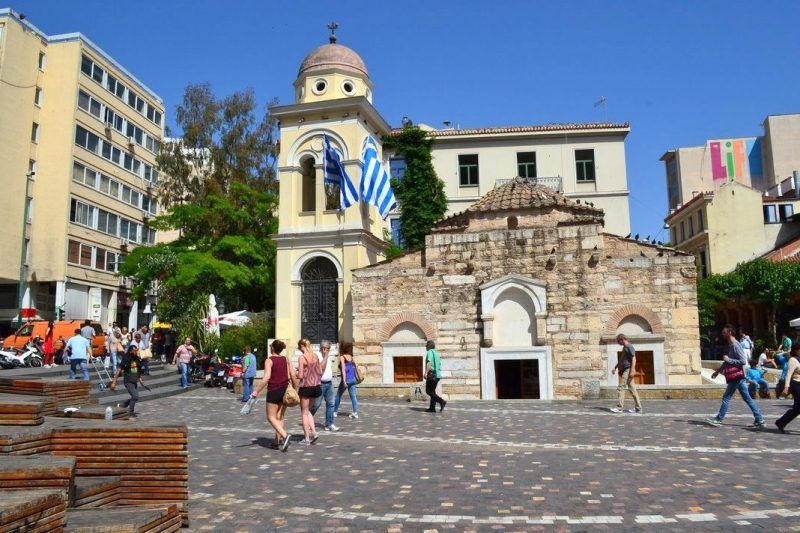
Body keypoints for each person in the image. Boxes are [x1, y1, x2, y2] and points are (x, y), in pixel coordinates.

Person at [706, 327, 765, 428]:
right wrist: (717, 371)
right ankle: (759, 419)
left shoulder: (735, 345)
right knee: (747, 398)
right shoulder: (731, 345)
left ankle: (719, 419)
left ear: (730, 332)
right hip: (738, 377)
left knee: (726, 398)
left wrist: (729, 360)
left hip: (735, 377)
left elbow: (742, 361)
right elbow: (727, 361)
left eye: (724, 332)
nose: (722, 334)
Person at [251, 340, 297, 452]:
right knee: (280, 417)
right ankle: (276, 442)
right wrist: (296, 389)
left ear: (272, 348)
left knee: (270, 417)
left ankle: (285, 436)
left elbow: (266, 378)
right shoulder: (286, 359)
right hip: (285, 390)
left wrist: (256, 391)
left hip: (273, 391)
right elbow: (293, 375)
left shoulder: (269, 360)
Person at [297, 339, 327, 445]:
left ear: (302, 346)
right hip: (316, 386)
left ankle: (306, 439)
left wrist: (296, 374)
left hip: (306, 387)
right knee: (308, 411)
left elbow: (300, 375)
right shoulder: (315, 356)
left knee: (304, 413)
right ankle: (314, 432)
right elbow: (319, 370)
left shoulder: (302, 358)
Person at [610, 334, 643, 414]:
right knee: (633, 390)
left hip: (628, 370)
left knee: (620, 388)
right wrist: (615, 367)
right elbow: (621, 359)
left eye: (619, 341)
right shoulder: (625, 348)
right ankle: (638, 409)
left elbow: (634, 358)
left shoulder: (629, 347)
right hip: (626, 370)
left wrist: (632, 370)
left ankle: (619, 408)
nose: (618, 343)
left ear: (622, 339)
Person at [110, 343, 145, 418]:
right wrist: (114, 382)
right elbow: (119, 370)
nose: (136, 352)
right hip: (128, 381)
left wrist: (140, 379)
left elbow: (137, 370)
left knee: (135, 397)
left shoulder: (136, 358)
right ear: (130, 351)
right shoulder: (126, 358)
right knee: (135, 396)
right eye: (135, 351)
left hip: (134, 380)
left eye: (136, 351)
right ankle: (131, 412)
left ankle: (123, 405)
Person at [310, 340, 338, 431]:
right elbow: (321, 368)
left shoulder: (328, 357)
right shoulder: (316, 356)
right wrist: (325, 356)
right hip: (320, 384)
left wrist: (327, 356)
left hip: (329, 383)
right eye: (327, 349)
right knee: (316, 405)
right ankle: (307, 419)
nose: (329, 350)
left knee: (331, 404)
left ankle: (329, 424)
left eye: (329, 349)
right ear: (322, 348)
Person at [775, 344, 800, 433]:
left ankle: (781, 422)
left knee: (797, 408)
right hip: (795, 384)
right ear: (797, 350)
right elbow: (788, 375)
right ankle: (781, 422)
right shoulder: (793, 360)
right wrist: (786, 387)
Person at [334, 342, 359, 419]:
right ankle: (355, 413)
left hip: (347, 380)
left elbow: (343, 370)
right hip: (353, 380)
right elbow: (354, 367)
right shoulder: (351, 357)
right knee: (353, 397)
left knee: (338, 395)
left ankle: (334, 411)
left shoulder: (342, 357)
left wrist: (344, 381)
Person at [424, 340, 447, 413]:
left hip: (431, 374)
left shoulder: (430, 352)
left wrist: (426, 372)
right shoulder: (437, 353)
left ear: (429, 346)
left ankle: (441, 401)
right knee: (432, 391)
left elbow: (429, 362)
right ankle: (432, 408)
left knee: (428, 391)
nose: (425, 347)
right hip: (437, 375)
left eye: (426, 345)